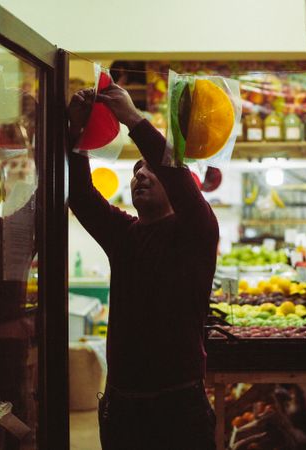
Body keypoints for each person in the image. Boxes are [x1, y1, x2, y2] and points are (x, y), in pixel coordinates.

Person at [68, 85, 219, 450]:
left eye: (152, 171)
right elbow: (82, 197)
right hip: (123, 406)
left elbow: (179, 177)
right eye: (136, 172)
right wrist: (77, 136)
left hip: (179, 403)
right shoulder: (124, 234)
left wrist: (133, 120)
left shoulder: (195, 232)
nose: (141, 176)